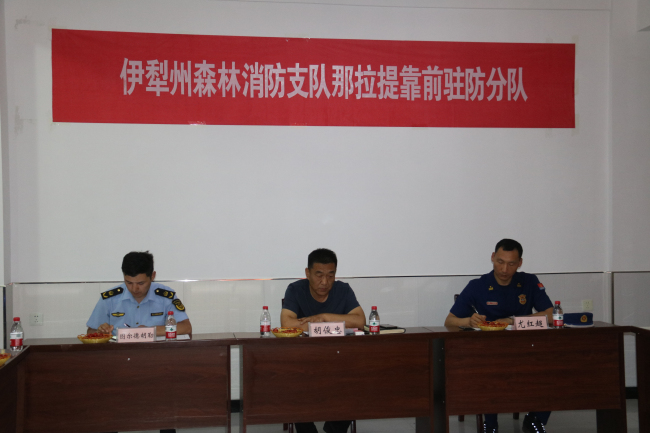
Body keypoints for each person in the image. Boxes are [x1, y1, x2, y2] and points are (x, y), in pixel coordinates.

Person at [444, 239, 553, 433]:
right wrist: (468, 321)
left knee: (553, 366)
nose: (504, 269)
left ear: (520, 263)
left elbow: (551, 315)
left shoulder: (529, 282)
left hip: (525, 348)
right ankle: (490, 423)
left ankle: (535, 419)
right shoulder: (478, 285)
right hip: (489, 351)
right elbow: (449, 321)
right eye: (500, 262)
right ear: (492, 258)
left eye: (511, 264)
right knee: (489, 370)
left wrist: (512, 321)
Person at [86, 251, 192, 433]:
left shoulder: (166, 296)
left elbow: (185, 327)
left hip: (156, 363)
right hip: (118, 364)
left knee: (166, 400)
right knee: (108, 405)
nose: (134, 288)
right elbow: (90, 332)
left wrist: (150, 331)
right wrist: (101, 331)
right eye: (129, 282)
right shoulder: (110, 298)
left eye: (141, 283)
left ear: (153, 276)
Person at [281, 248, 365, 433]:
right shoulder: (295, 289)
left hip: (339, 360)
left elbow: (360, 320)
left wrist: (325, 317)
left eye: (330, 275)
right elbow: (287, 323)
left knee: (357, 379)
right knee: (293, 380)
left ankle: (334, 428)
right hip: (304, 361)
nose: (325, 282)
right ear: (308, 273)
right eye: (319, 275)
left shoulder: (343, 290)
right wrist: (328, 322)